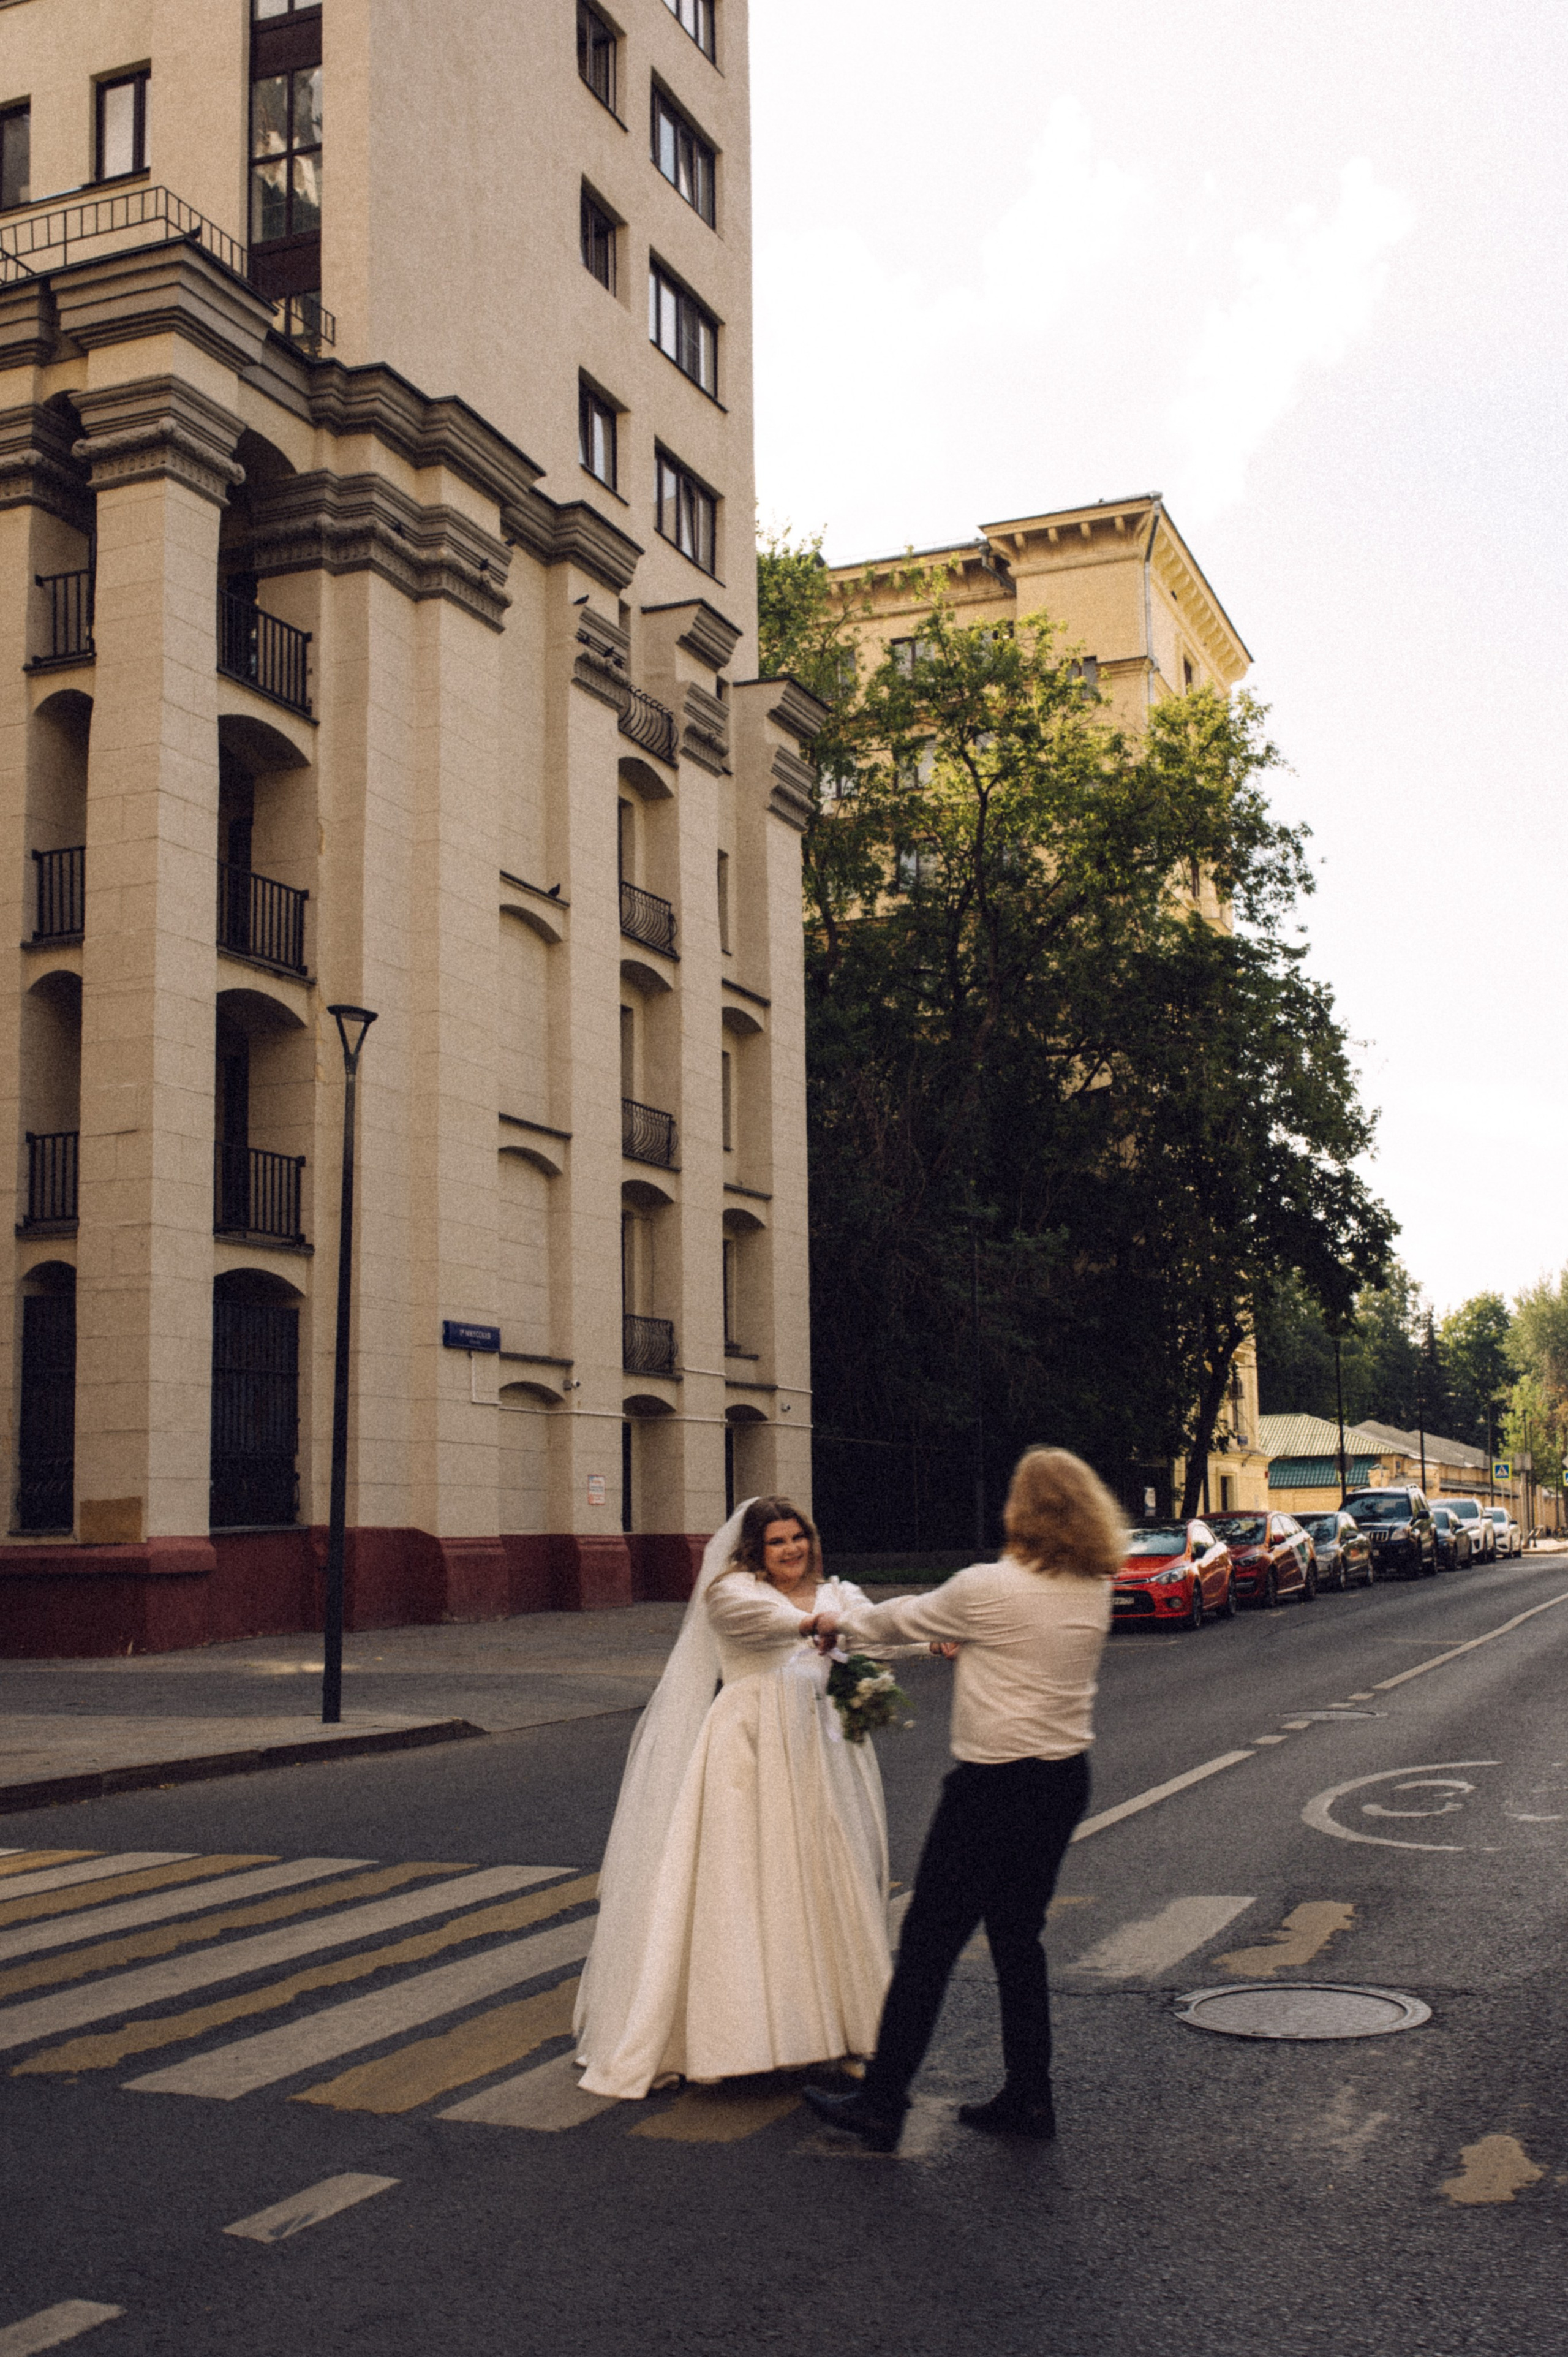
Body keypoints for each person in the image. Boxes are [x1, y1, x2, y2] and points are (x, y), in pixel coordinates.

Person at [800, 1445, 1120, 2152]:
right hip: (1063, 1778)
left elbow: (899, 1620)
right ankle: (1029, 2097)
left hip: (991, 1786)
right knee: (1017, 1940)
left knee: (927, 1945)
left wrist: (837, 1624)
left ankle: (882, 2103)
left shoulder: (989, 1588)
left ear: (1022, 1508)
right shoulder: (1092, 1588)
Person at [573, 1494, 916, 2101]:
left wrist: (930, 1641)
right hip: (748, 1754)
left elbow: (877, 1632)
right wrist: (809, 1625)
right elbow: (756, 1626)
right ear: (754, 1550)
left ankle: (837, 2031)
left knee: (823, 1878)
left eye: (798, 1538)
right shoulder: (731, 1593)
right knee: (745, 1884)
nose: (791, 1549)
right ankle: (740, 2039)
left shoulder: (837, 1593)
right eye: (777, 1541)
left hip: (818, 1755)